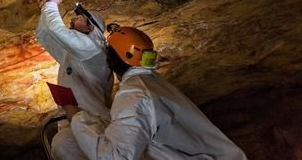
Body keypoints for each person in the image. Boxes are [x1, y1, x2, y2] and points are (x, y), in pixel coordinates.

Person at [68, 26, 247, 160]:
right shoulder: (154, 83)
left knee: (64, 144)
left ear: (111, 61)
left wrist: (78, 119)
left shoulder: (135, 94)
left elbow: (116, 157)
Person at [37, 0, 113, 160]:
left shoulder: (92, 48)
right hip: (75, 122)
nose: (72, 20)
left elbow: (58, 31)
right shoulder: (75, 54)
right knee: (61, 144)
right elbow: (44, 35)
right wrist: (46, 7)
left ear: (90, 27)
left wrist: (52, 4)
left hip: (93, 123)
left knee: (62, 144)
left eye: (78, 18)